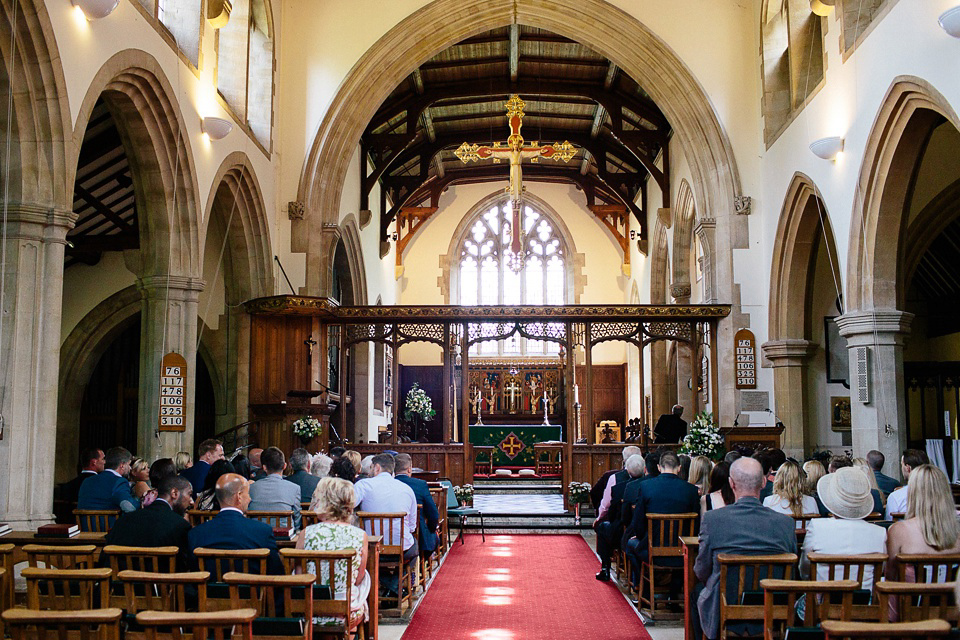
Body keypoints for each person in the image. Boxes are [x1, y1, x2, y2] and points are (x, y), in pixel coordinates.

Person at [694, 457, 797, 640]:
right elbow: (792, 574)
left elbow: (702, 569)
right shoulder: (786, 524)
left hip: (725, 606)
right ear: (764, 482)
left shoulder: (713, 520)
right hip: (772, 607)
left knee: (698, 592)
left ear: (731, 483)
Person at [884, 465, 960, 620]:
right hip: (952, 614)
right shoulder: (957, 529)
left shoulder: (899, 530)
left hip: (910, 614)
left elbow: (891, 578)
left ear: (913, 493)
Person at [800, 467, 886, 592]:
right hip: (865, 605)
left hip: (822, 604)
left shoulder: (817, 528)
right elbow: (881, 571)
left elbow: (805, 569)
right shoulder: (879, 533)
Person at [298, 477, 371, 625]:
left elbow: (298, 573)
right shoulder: (359, 535)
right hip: (344, 608)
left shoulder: (306, 533)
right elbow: (358, 577)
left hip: (309, 606)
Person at [624, 451, 700, 590]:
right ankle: (674, 592)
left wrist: (641, 537)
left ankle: (645, 591)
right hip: (683, 551)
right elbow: (696, 525)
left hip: (653, 550)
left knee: (630, 543)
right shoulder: (691, 490)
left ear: (659, 467)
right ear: (679, 467)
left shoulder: (647, 487)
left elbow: (638, 521)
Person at [187, 473, 283, 575]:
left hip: (208, 590)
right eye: (248, 493)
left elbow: (193, 573)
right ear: (239, 496)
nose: (250, 499)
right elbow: (276, 572)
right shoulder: (263, 531)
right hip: (251, 590)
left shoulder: (196, 534)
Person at [353, 453, 417, 596]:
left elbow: (349, 505)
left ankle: (389, 585)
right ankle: (394, 586)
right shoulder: (406, 489)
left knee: (370, 557)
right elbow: (412, 527)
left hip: (371, 547)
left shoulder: (364, 485)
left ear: (376, 468)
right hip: (400, 548)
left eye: (370, 468)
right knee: (415, 547)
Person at [104, 475, 195, 570]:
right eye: (189, 494)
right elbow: (183, 566)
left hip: (121, 581)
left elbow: (105, 559)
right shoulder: (180, 525)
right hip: (160, 583)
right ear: (174, 493)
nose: (191, 501)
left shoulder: (123, 520)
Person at [595, 453, 644, 581]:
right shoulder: (650, 485)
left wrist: (600, 518)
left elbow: (612, 511)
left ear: (627, 468)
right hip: (643, 531)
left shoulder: (621, 486)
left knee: (602, 527)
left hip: (624, 531)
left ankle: (605, 568)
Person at [394, 453, 440, 558]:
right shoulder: (420, 485)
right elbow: (433, 514)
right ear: (409, 469)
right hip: (419, 537)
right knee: (435, 538)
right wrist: (432, 530)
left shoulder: (388, 485)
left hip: (389, 537)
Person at [249, 447, 302, 529]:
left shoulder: (251, 488)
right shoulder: (294, 488)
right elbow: (297, 518)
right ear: (284, 466)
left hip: (256, 535)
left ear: (264, 468)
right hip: (285, 536)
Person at [77, 446, 140, 515]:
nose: (130, 468)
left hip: (83, 525)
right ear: (122, 465)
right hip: (109, 525)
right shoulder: (119, 482)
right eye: (129, 464)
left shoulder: (87, 481)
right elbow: (129, 507)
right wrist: (141, 502)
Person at [595, 446, 643, 524]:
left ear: (624, 460)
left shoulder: (615, 478)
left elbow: (606, 504)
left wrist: (599, 517)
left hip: (620, 522)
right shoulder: (649, 480)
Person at [885, 449, 929, 520]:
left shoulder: (896, 497)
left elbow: (889, 522)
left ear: (908, 468)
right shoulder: (940, 493)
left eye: (901, 465)